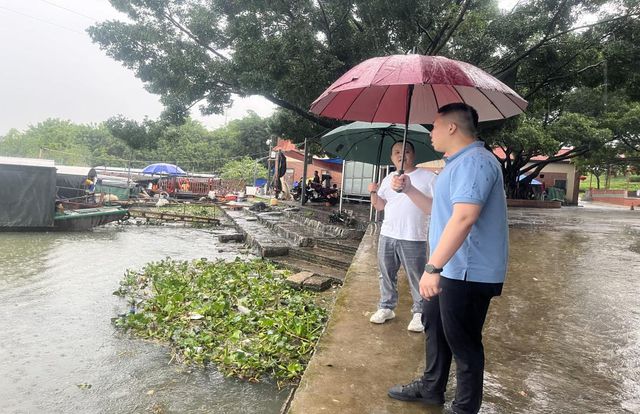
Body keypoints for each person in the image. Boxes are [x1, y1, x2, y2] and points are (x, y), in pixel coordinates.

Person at [387, 103, 508, 414]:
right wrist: (410, 190)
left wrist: (432, 267)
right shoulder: (455, 164)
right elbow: (438, 212)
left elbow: (465, 217)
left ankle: (464, 408)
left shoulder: (476, 162)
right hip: (449, 267)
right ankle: (431, 388)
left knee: (463, 341)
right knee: (435, 326)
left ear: (452, 127)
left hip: (468, 271)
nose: (431, 133)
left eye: (435, 126)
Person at [368, 140, 436, 332]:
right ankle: (386, 307)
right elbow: (380, 205)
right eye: (396, 152)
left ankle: (419, 312)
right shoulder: (388, 177)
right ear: (391, 157)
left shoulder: (427, 177)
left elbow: (435, 206)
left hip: (414, 236)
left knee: (417, 276)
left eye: (405, 151)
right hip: (388, 234)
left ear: (413, 155)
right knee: (386, 274)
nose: (401, 155)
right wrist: (373, 191)